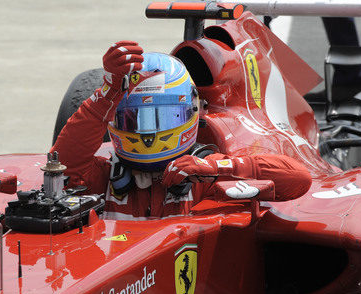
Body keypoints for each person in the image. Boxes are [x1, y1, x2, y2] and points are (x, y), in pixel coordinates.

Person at [51, 41, 312, 219]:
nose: (149, 134)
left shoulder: (205, 178)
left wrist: (218, 169)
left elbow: (299, 181)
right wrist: (108, 93)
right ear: (113, 120)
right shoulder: (103, 178)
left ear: (190, 113)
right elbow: (62, 164)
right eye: (134, 120)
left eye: (165, 117)